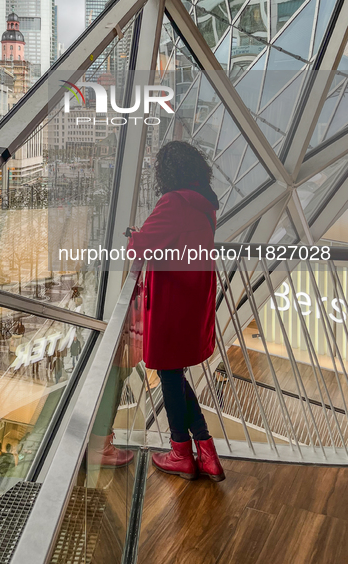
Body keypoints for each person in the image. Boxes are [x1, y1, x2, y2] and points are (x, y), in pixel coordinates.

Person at [127, 141, 225, 482]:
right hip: (194, 300)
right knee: (174, 373)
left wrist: (132, 236)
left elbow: (140, 245)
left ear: (167, 172)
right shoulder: (205, 205)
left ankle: (182, 452)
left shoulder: (174, 202)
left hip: (172, 301)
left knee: (169, 373)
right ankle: (206, 452)